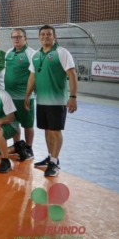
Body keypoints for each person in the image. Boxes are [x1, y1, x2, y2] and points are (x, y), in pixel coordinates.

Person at [24, 25, 77, 177]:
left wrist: (73, 97)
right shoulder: (36, 55)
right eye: (43, 34)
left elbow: (72, 75)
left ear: (55, 36)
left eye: (49, 34)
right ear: (39, 37)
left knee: (55, 131)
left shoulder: (61, 52)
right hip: (41, 100)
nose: (45, 36)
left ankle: (55, 161)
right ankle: (50, 157)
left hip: (57, 100)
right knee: (47, 130)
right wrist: (27, 96)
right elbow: (32, 77)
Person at [5, 28, 37, 160]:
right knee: (14, 122)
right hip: (10, 97)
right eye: (14, 37)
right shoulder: (8, 53)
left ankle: (29, 148)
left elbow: (34, 76)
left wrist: (28, 95)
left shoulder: (31, 54)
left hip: (24, 97)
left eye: (19, 37)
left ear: (26, 38)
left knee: (27, 124)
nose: (16, 39)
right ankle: (17, 145)